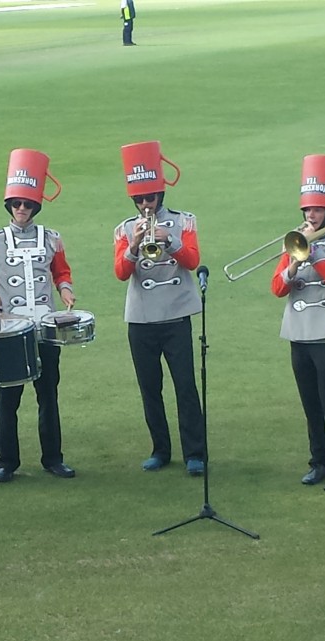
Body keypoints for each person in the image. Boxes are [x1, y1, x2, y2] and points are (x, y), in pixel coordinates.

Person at [0, 149, 77, 483]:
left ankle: (53, 458)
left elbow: (61, 272)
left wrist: (66, 291)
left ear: (36, 206)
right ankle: (6, 462)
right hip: (10, 330)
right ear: (9, 206)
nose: (22, 210)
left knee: (48, 396)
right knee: (8, 398)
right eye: (16, 204)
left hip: (45, 328)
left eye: (27, 204)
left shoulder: (51, 238)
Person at [113, 141, 206, 476]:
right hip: (141, 318)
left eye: (149, 198)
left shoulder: (185, 222)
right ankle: (160, 449)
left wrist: (172, 240)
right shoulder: (124, 229)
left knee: (185, 384)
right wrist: (135, 246)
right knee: (149, 387)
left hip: (176, 314)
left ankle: (195, 452)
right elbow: (122, 273)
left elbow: (193, 261)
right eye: (138, 200)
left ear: (160, 196)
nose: (144, 205)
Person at [270, 154, 325, 492]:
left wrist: (314, 251)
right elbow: (277, 288)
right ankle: (318, 462)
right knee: (310, 403)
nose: (311, 216)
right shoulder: (292, 241)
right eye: (308, 211)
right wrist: (293, 263)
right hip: (298, 332)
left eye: (318, 210)